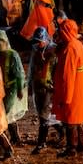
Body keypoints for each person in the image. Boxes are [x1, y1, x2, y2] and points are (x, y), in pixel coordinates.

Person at [52, 19, 83, 158]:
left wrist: (65, 97)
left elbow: (68, 76)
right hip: (80, 89)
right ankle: (81, 144)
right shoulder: (77, 44)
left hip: (72, 92)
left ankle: (71, 148)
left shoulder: (70, 49)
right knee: (78, 119)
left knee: (70, 120)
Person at [28, 26, 64, 155]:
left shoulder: (54, 50)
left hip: (49, 88)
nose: (39, 43)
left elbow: (58, 70)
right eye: (37, 41)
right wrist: (29, 86)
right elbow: (32, 69)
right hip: (38, 87)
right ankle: (62, 131)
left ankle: (41, 143)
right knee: (44, 115)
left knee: (44, 117)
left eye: (40, 41)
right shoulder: (35, 50)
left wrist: (57, 86)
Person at [0, 30, 27, 146]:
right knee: (6, 114)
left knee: (7, 113)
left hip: (12, 88)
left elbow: (19, 73)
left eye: (1, 41)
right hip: (3, 89)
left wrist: (19, 89)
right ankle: (13, 138)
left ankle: (13, 139)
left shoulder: (12, 54)